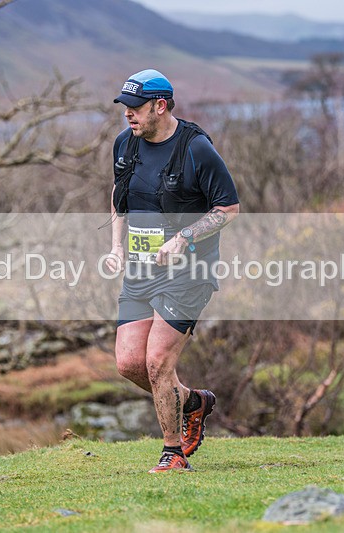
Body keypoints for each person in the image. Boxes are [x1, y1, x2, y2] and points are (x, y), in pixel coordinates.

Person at [104, 69, 239, 473]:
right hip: (140, 269)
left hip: (188, 271)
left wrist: (185, 237)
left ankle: (173, 453)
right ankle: (193, 402)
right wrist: (116, 247)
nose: (128, 114)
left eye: (135, 107)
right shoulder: (125, 143)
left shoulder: (196, 149)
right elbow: (118, 196)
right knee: (129, 363)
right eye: (125, 107)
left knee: (157, 362)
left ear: (160, 106)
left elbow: (228, 208)